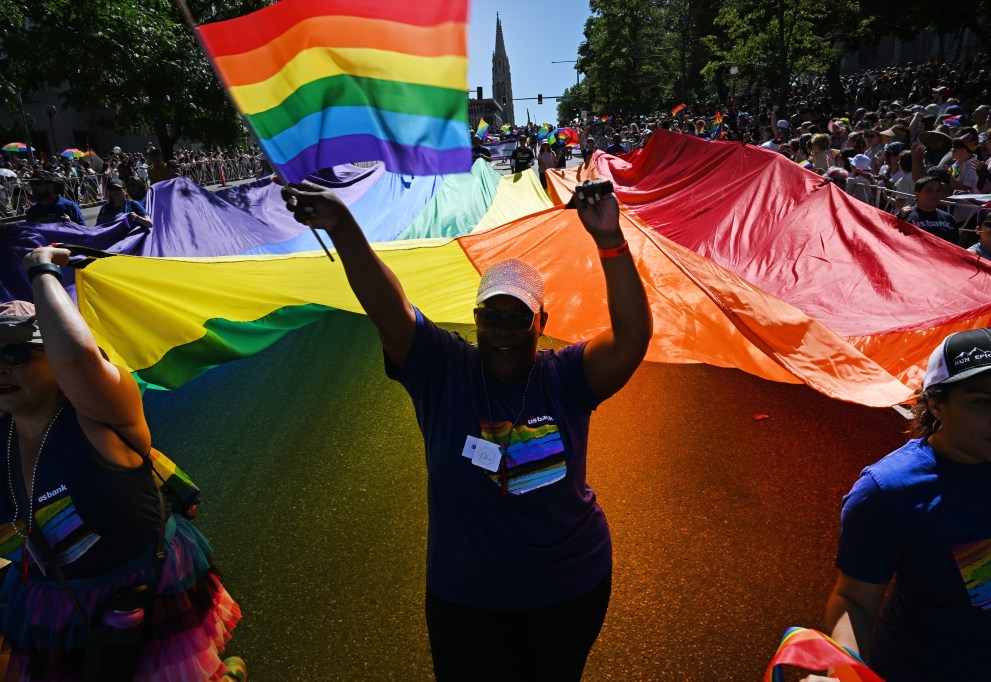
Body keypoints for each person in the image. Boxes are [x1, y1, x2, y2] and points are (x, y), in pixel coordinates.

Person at [280, 178, 652, 681]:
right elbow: (389, 309)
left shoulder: (565, 377)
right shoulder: (441, 368)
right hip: (467, 604)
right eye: (489, 315)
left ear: (541, 321)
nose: (502, 330)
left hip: (569, 589)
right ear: (474, 319)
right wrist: (344, 225)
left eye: (517, 318)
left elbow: (631, 340)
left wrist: (610, 239)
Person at [0, 250, 243, 681]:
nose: (2, 368)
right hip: (53, 608)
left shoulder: (99, 415)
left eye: (17, 353)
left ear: (53, 358)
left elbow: (79, 360)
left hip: (142, 600)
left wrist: (42, 271)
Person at [803, 327, 991, 682]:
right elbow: (855, 600)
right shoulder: (887, 490)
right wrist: (843, 671)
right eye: (984, 402)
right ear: (936, 403)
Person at [904, 175, 958, 243]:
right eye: (929, 190)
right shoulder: (905, 217)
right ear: (917, 195)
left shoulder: (949, 218)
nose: (935, 194)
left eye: (938, 190)